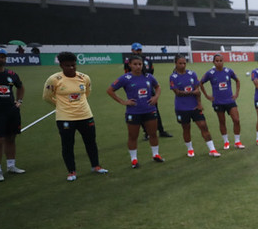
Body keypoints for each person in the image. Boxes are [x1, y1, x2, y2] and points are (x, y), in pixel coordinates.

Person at [43, 51, 109, 181]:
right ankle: (71, 171)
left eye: (73, 65)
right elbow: (47, 97)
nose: (71, 68)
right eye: (68, 65)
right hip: (65, 118)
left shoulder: (84, 77)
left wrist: (79, 105)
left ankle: (96, 166)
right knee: (68, 145)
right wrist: (60, 106)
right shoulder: (54, 79)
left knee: (91, 142)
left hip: (85, 115)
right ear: (61, 65)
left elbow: (87, 93)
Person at [107, 54, 165, 168]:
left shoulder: (148, 76)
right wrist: (123, 101)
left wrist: (156, 97)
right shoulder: (125, 78)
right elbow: (110, 90)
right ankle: (134, 159)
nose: (138, 66)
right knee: (133, 136)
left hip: (149, 109)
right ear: (130, 65)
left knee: (153, 134)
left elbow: (158, 87)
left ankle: (156, 154)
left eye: (140, 64)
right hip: (133, 112)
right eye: (135, 64)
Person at [169, 54, 220, 158]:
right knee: (186, 128)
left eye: (184, 63)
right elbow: (177, 92)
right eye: (180, 63)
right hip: (181, 108)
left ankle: (212, 149)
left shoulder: (192, 74)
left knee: (203, 126)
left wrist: (199, 104)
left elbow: (198, 91)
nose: (183, 65)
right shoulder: (173, 77)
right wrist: (192, 92)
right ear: (176, 64)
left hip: (195, 107)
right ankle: (190, 149)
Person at [0, 47, 26, 182]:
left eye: (3, 57)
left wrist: (19, 101)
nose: (1, 59)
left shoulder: (11, 74)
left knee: (11, 138)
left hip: (11, 111)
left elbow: (20, 87)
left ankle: (11, 166)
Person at [124, 42, 172, 139]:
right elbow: (126, 74)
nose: (138, 52)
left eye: (140, 50)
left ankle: (161, 131)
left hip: (149, 89)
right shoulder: (128, 61)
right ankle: (147, 132)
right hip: (135, 90)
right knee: (140, 110)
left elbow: (151, 72)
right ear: (132, 50)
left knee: (155, 111)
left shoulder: (147, 60)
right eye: (136, 50)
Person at [200, 54, 245, 149]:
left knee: (236, 120)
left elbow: (237, 80)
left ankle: (237, 141)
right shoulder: (210, 73)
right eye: (217, 61)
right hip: (218, 102)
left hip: (230, 100)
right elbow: (201, 83)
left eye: (220, 60)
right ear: (213, 62)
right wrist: (207, 96)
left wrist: (236, 93)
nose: (219, 62)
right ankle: (226, 141)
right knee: (222, 121)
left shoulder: (228, 71)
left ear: (223, 61)